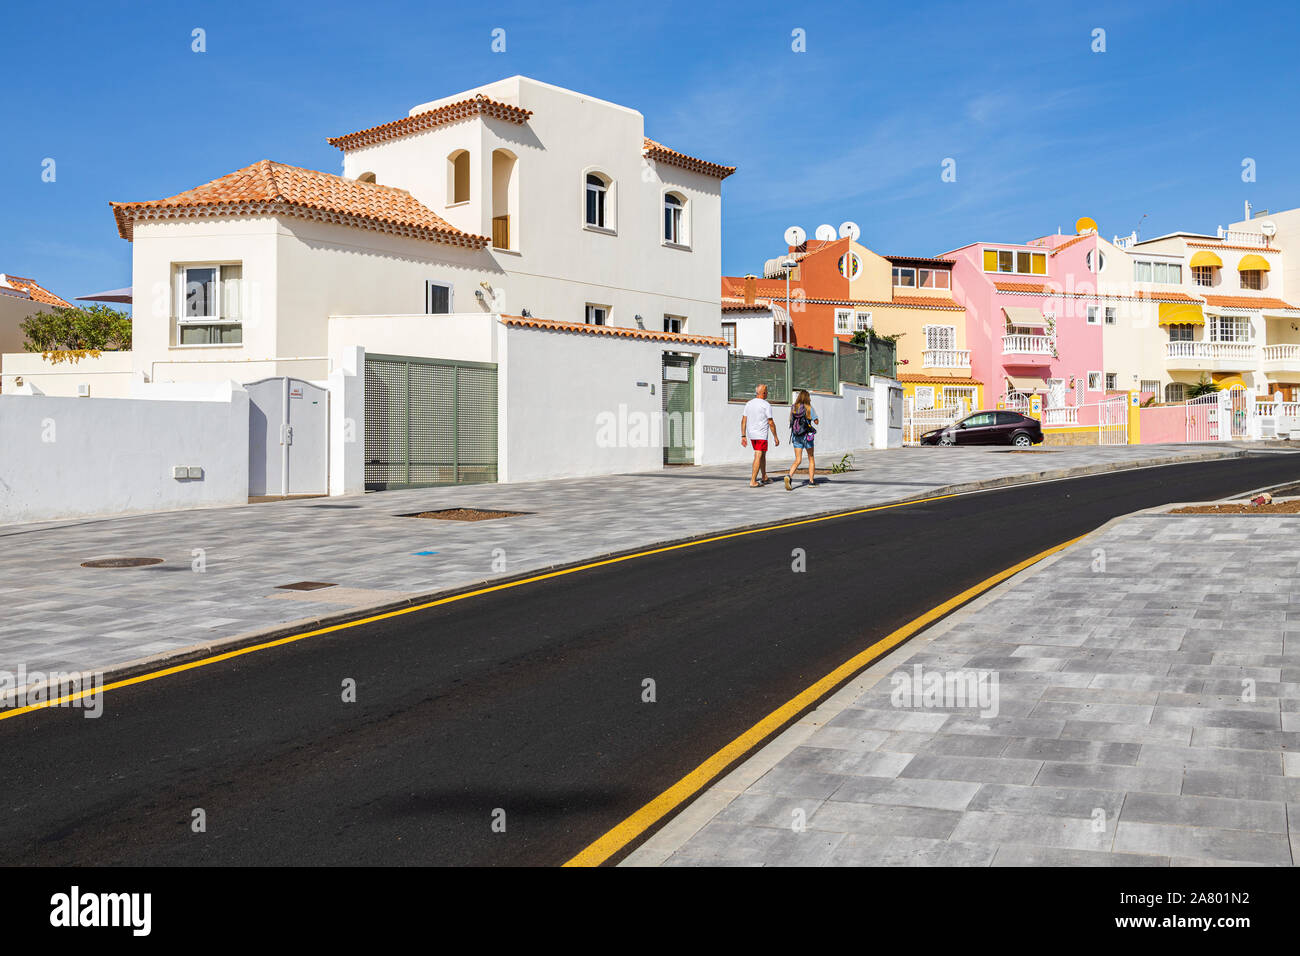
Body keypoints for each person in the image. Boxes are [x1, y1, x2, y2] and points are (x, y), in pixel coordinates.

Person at [741, 384, 779, 487]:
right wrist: (775, 437)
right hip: (760, 434)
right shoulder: (765, 404)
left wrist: (743, 436)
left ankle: (764, 477)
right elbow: (770, 422)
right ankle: (753, 481)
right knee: (758, 455)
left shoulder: (749, 403)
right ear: (763, 393)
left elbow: (744, 420)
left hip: (752, 434)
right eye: (766, 391)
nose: (767, 393)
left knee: (762, 455)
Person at [784, 389, 819, 490]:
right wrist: (814, 419)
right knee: (811, 458)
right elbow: (816, 421)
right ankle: (811, 482)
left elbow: (791, 421)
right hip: (807, 436)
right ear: (807, 398)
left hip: (796, 436)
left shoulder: (793, 408)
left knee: (798, 460)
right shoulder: (809, 408)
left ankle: (789, 476)